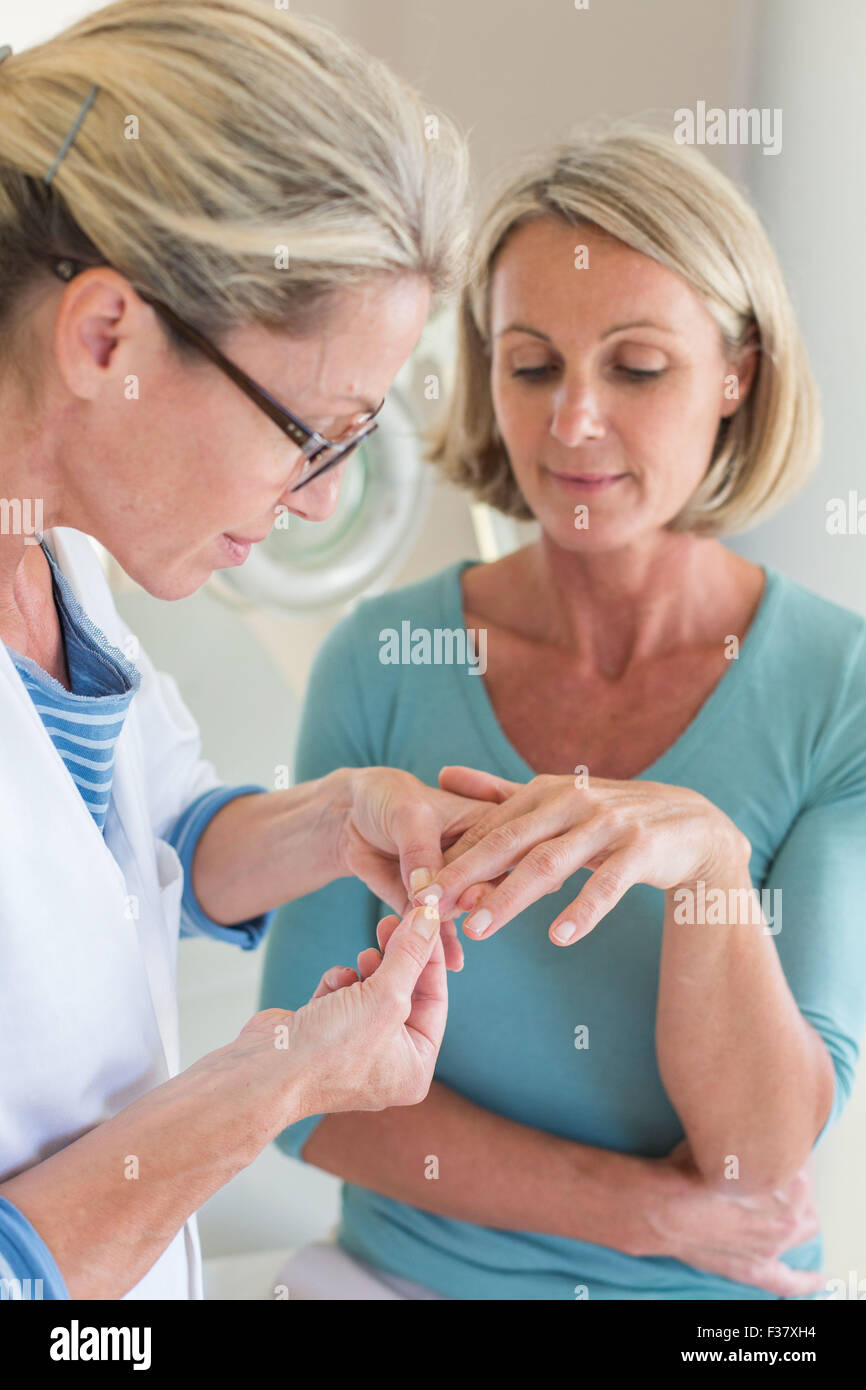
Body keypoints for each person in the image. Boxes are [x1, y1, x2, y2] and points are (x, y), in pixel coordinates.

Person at [261, 124, 866, 1300]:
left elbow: (754, 1156)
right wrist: (636, 1214)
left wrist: (709, 858)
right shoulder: (383, 661)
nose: (570, 422)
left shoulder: (835, 689)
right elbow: (296, 1087)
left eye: (635, 368)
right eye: (531, 366)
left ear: (735, 373)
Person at [0, 0, 487, 1301]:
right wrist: (274, 1081)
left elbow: (152, 826)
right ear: (108, 337)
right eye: (312, 430)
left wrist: (337, 819)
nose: (322, 500)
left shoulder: (62, 561)